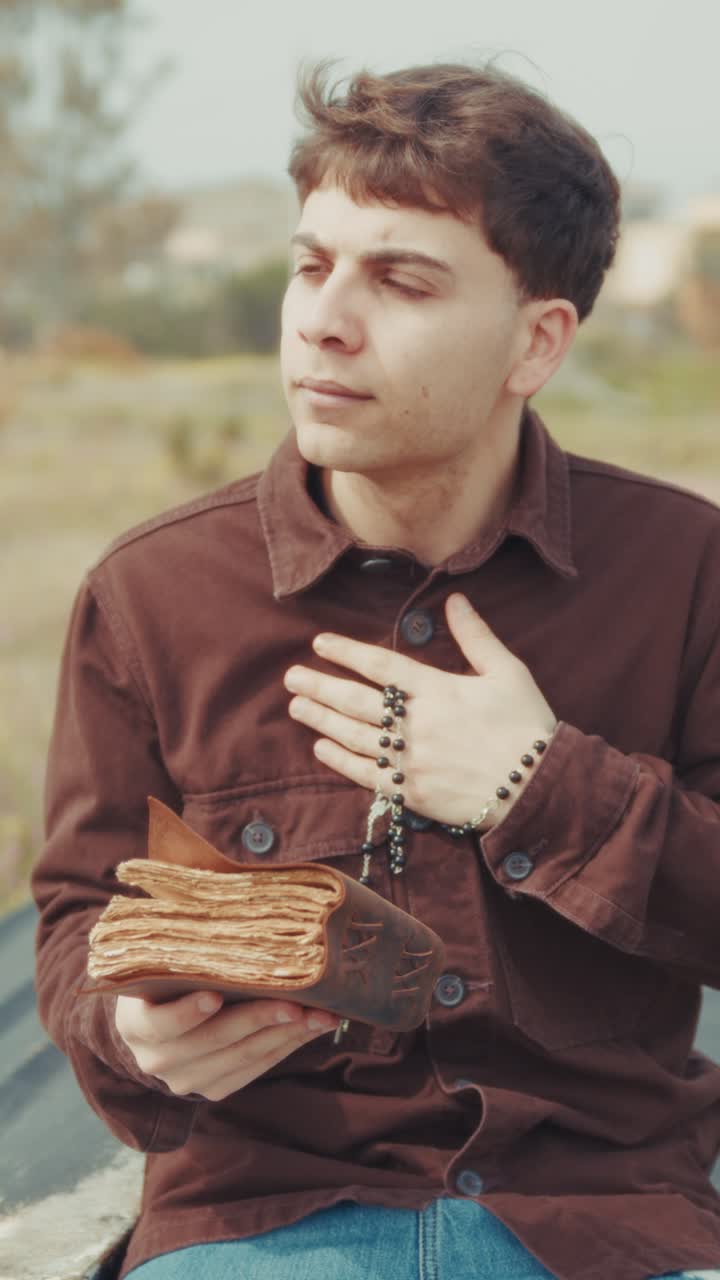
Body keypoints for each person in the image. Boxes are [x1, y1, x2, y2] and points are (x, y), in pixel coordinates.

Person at [32, 60, 720, 1280]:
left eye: (400, 280)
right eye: (313, 264)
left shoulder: (686, 572)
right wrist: (138, 1034)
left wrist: (538, 783)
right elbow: (82, 917)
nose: (322, 319)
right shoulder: (151, 595)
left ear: (536, 341)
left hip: (603, 1223)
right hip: (263, 1219)